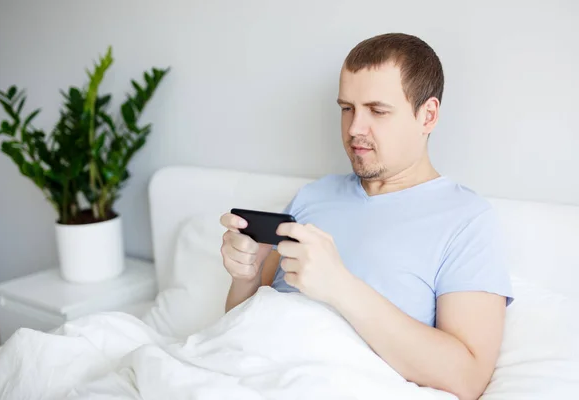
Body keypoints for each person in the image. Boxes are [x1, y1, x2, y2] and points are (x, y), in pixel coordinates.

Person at [219, 32, 513, 400]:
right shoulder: (313, 196)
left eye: (377, 110)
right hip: (242, 374)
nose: (355, 128)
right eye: (347, 108)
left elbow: (467, 378)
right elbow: (241, 323)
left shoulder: (467, 220)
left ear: (428, 115)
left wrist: (340, 286)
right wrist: (244, 277)